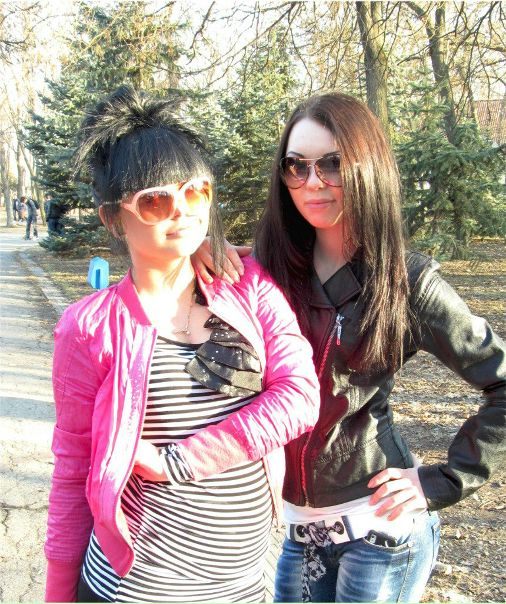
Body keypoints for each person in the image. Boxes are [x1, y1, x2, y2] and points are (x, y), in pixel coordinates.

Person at [194, 92, 506, 603]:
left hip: (382, 532)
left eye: (332, 164)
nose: (312, 182)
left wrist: (443, 481)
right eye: (296, 166)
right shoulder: (264, 271)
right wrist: (193, 252)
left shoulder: (406, 282)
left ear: (366, 166)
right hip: (299, 532)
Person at [44, 85, 320, 604]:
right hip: (134, 590)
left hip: (242, 588)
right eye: (155, 200)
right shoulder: (89, 328)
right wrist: (57, 594)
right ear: (113, 218)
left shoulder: (247, 286)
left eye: (195, 192)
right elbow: (72, 471)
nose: (183, 211)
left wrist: (178, 461)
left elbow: (300, 398)